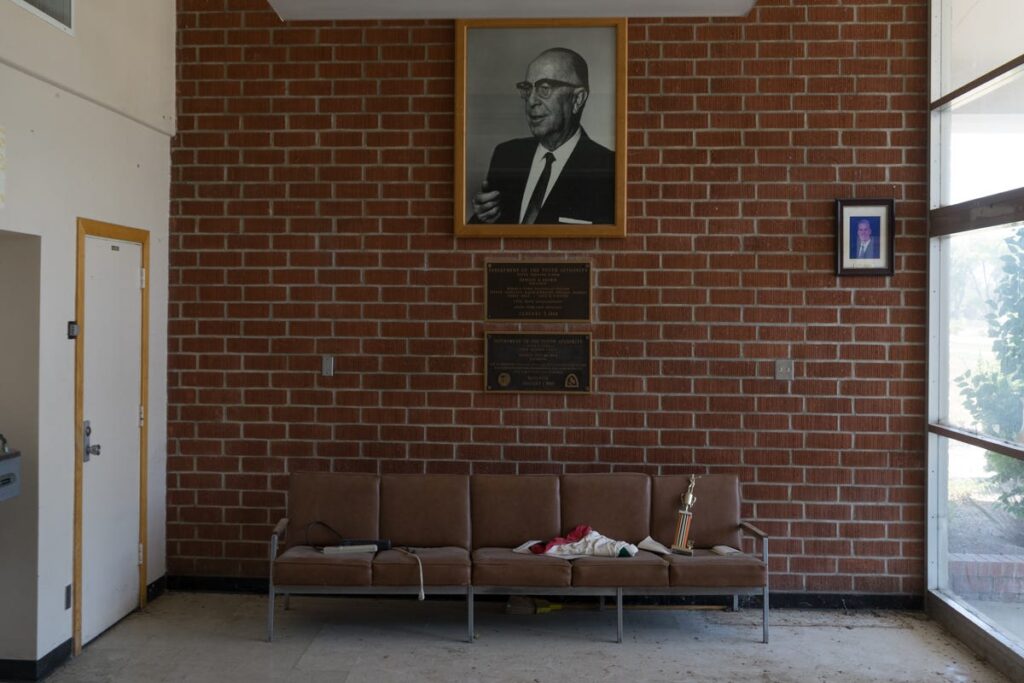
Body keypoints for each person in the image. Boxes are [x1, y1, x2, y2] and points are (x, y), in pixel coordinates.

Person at [470, 47, 615, 226]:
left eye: (544, 88)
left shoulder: (608, 169)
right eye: (527, 89)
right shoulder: (507, 156)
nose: (531, 101)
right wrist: (484, 218)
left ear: (577, 99)